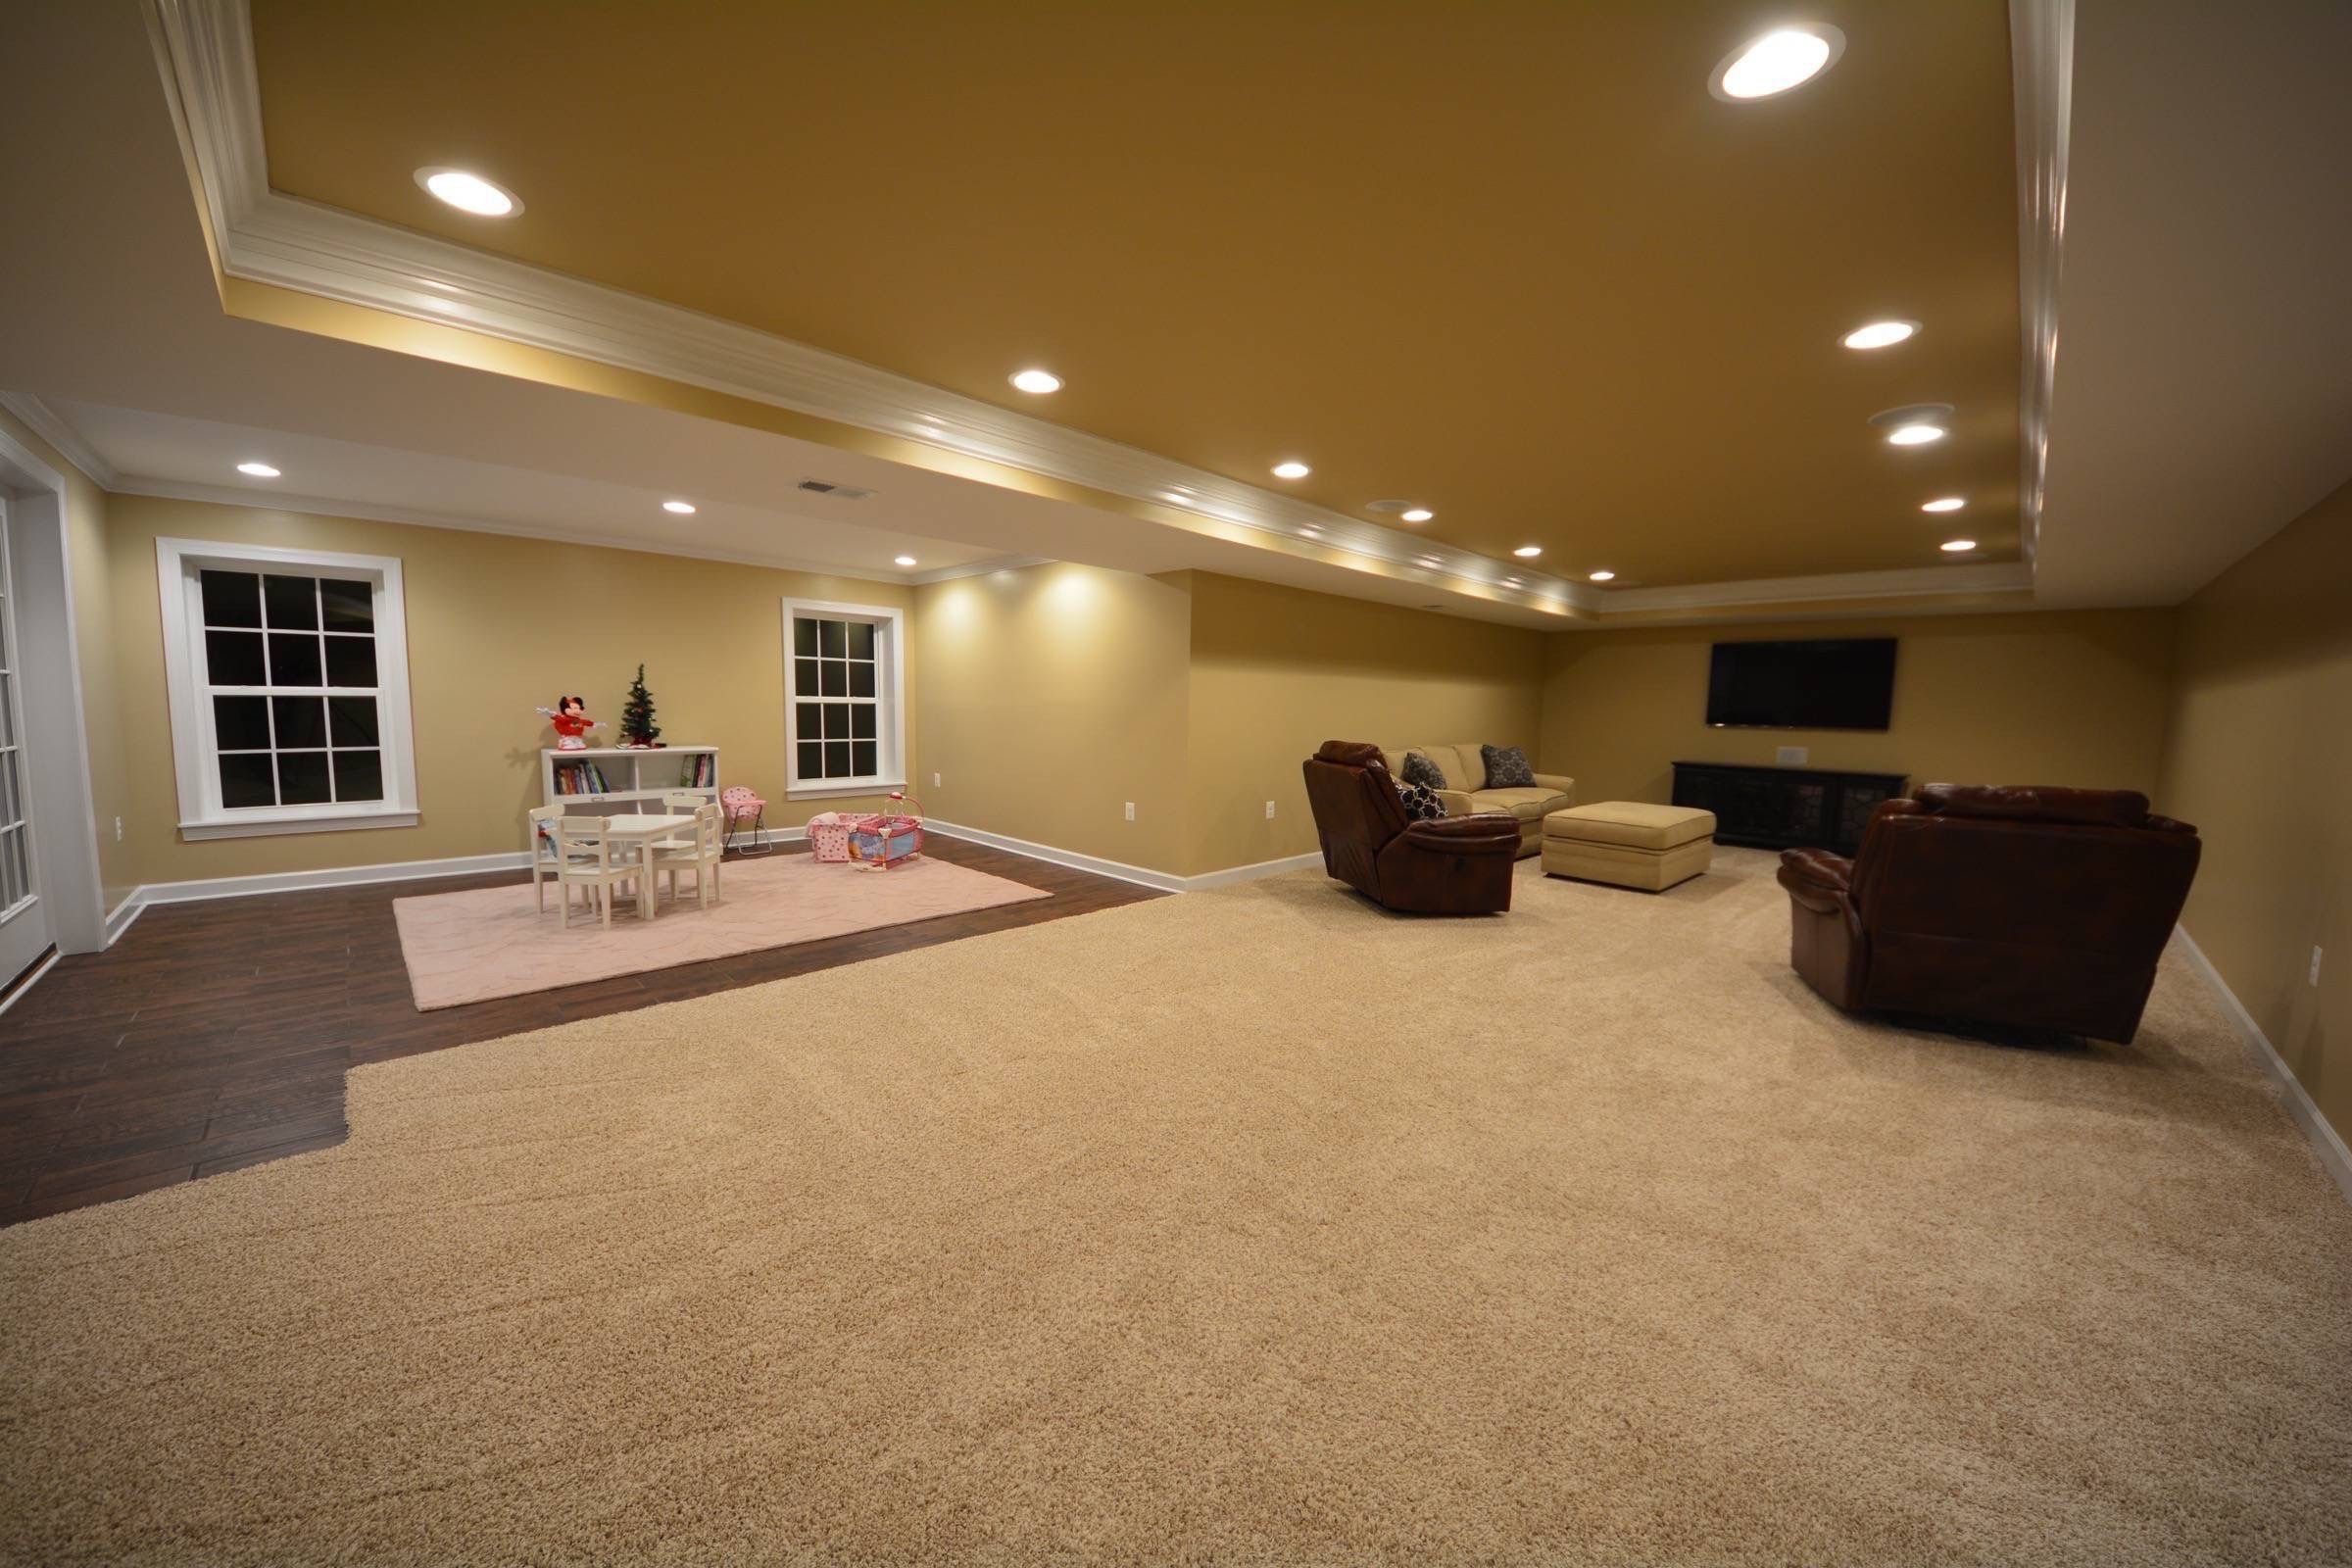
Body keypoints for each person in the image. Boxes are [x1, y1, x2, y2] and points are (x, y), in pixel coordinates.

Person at [535, 696, 601, 751]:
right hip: (568, 737)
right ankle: (564, 743)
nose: (578, 710)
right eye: (574, 708)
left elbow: (586, 722)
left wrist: (594, 724)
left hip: (577, 737)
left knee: (580, 744)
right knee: (569, 744)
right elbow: (557, 717)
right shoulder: (565, 719)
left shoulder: (579, 720)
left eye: (579, 708)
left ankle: (576, 744)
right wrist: (549, 714)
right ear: (565, 709)